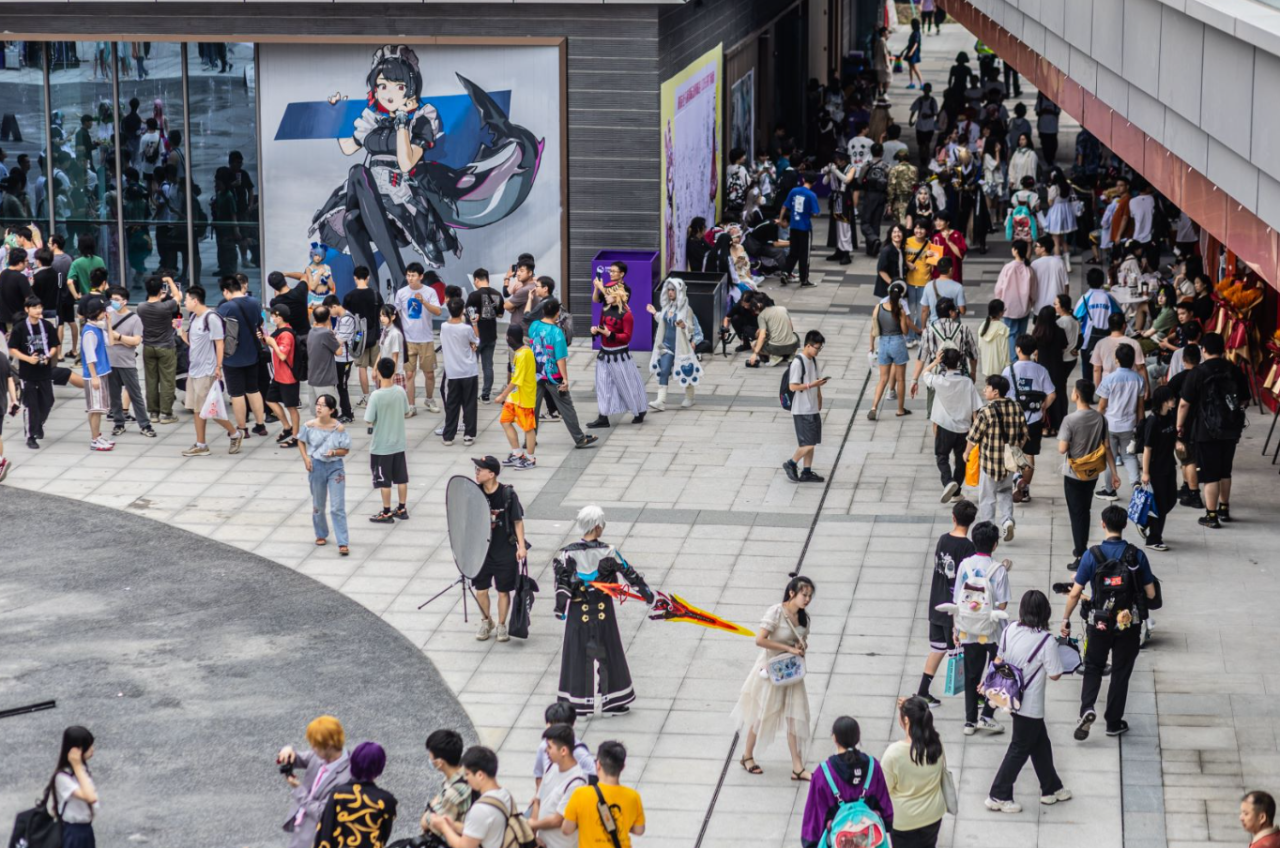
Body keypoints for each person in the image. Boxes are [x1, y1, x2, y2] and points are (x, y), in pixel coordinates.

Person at [1061, 505, 1157, 740]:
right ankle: (1113, 722)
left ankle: (1087, 709)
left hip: (1099, 623)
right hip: (1129, 624)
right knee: (1121, 672)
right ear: (1124, 525)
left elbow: (1075, 593)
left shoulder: (1091, 555)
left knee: (1093, 667)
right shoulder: (1136, 555)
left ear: (1103, 524)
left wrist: (1065, 619)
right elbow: (1151, 594)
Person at [553, 506, 653, 715]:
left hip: (578, 612)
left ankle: (577, 705)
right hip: (603, 611)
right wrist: (647, 595)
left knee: (577, 655)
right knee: (609, 652)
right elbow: (630, 573)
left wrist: (561, 609)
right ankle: (614, 702)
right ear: (598, 526)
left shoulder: (566, 554)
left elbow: (562, 584)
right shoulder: (609, 551)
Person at [985, 590, 1071, 813]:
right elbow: (1055, 674)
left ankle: (1051, 788)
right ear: (1045, 612)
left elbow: (998, 659)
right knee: (1019, 748)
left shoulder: (1010, 629)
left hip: (1011, 697)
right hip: (1030, 704)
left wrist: (986, 683)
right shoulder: (1046, 641)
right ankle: (998, 795)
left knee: (1041, 744)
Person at [733, 575, 815, 780]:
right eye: (804, 595)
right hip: (772, 670)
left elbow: (803, 640)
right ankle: (747, 755)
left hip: (792, 671)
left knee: (794, 717)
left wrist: (800, 647)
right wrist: (788, 648)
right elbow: (760, 640)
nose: (807, 599)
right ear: (792, 593)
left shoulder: (803, 617)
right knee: (762, 714)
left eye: (810, 596)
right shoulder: (776, 612)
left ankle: (797, 767)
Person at [1176, 331, 1250, 528]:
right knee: (1225, 470)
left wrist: (1179, 425)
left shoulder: (1197, 372)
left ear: (1204, 350)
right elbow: (1244, 400)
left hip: (1206, 430)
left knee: (1210, 474)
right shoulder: (1234, 370)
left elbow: (1184, 404)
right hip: (1230, 428)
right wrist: (1232, 413)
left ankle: (1211, 516)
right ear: (1223, 349)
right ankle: (1224, 509)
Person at [951, 521, 1011, 735]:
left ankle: (969, 722)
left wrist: (956, 628)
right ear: (995, 544)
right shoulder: (999, 569)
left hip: (969, 629)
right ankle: (987, 714)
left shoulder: (964, 566)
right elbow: (1003, 604)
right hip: (993, 631)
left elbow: (957, 599)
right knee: (998, 671)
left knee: (971, 674)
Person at [800, 716, 894, 848]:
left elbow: (814, 818)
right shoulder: (873, 767)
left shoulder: (823, 773)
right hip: (869, 841)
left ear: (834, 738)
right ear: (858, 738)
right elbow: (885, 809)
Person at [918, 499, 978, 704]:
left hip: (936, 604)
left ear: (953, 517)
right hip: (953, 610)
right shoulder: (969, 548)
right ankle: (976, 695)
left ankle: (923, 691)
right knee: (966, 653)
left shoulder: (943, 540)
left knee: (938, 648)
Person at [1058, 380, 1116, 569]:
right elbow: (1107, 447)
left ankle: (1081, 554)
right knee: (1085, 509)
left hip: (1074, 474)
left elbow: (1062, 448)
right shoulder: (1100, 419)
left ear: (1076, 395)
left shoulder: (1070, 420)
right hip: (1092, 474)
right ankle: (1081, 547)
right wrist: (1114, 473)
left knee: (1077, 514)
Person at [528, 297, 597, 449]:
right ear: (557, 313)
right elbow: (560, 359)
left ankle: (530, 439)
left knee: (533, 408)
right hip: (553, 377)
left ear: (543, 311)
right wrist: (565, 379)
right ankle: (579, 439)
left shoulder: (534, 326)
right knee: (567, 407)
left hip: (536, 374)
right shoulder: (557, 333)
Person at [471, 455, 527, 642]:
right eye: (476, 469)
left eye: (480, 470)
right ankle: (486, 621)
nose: (476, 472)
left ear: (491, 474)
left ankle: (502, 625)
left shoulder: (507, 494)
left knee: (503, 591)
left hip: (504, 550)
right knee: (481, 590)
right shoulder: (474, 493)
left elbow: (517, 521)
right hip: (481, 552)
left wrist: (521, 546)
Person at [966, 375, 1027, 540]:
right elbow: (1024, 433)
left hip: (990, 463)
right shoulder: (1016, 407)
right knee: (1005, 491)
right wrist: (1015, 450)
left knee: (987, 498)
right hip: (1009, 462)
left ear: (995, 392)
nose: (984, 390)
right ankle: (1007, 520)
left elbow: (973, 436)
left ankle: (988, 529)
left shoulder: (986, 411)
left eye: (987, 388)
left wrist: (966, 453)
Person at [276, 715, 352, 848]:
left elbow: (322, 813)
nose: (312, 748)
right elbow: (298, 758)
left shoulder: (346, 778)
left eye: (315, 746)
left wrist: (298, 790)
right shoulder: (321, 756)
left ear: (328, 746)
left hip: (317, 837)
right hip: (302, 828)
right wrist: (287, 751)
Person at [920, 348, 983, 501]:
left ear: (943, 363)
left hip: (945, 427)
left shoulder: (938, 380)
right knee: (961, 460)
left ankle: (948, 481)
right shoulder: (967, 382)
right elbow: (975, 409)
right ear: (959, 362)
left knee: (942, 456)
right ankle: (956, 492)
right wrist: (975, 431)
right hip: (964, 428)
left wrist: (935, 361)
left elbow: (925, 373)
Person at [882, 698, 947, 847]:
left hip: (904, 820)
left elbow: (884, 788)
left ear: (906, 720)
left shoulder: (894, 753)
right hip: (933, 814)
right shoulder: (936, 743)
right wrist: (913, 706)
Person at [588, 271, 648, 426]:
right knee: (602, 385)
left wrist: (609, 333)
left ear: (616, 296)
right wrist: (596, 330)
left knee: (628, 384)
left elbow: (627, 337)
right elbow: (603, 326)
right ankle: (603, 417)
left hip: (620, 355)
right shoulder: (605, 309)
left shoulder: (627, 315)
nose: (605, 296)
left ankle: (640, 410)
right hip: (604, 353)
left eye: (608, 294)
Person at [429, 746, 518, 848]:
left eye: (467, 774)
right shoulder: (505, 794)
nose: (466, 778)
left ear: (480, 775)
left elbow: (463, 846)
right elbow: (483, 829)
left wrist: (443, 827)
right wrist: (454, 826)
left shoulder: (480, 809)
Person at [561, 742, 646, 847]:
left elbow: (567, 830)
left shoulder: (580, 794)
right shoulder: (633, 796)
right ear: (622, 767)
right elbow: (639, 830)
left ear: (598, 764)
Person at [1003, 335, 1056, 502]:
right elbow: (1052, 394)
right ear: (1034, 350)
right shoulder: (1041, 370)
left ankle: (1016, 478)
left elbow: (1003, 396)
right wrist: (1043, 408)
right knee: (1029, 454)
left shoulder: (1008, 370)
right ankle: (1024, 489)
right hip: (1034, 419)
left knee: (1011, 451)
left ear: (1017, 349)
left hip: (1013, 418)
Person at [296, 393, 351, 555]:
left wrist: (334, 452)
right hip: (316, 466)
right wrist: (306, 458)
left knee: (337, 506)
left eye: (323, 405)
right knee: (318, 505)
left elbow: (345, 450)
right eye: (318, 404)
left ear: (332, 410)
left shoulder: (339, 428)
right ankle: (320, 533)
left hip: (335, 467)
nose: (319, 408)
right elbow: (300, 440)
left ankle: (342, 541)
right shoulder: (309, 426)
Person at [314, 741, 396, 848]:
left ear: (353, 762)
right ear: (380, 767)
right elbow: (383, 838)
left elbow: (325, 831)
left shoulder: (338, 794)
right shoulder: (386, 801)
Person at [217, 275, 268, 437]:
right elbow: (259, 322)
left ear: (226, 290)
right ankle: (260, 425)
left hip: (232, 357)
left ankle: (242, 428)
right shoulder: (254, 302)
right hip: (252, 354)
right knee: (253, 390)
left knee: (237, 394)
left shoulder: (226, 308)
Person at [7, 296, 58, 450]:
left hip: (44, 370)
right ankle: (30, 435)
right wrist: (28, 359)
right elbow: (12, 349)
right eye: (34, 308)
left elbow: (54, 345)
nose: (38, 310)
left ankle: (38, 423)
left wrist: (48, 356)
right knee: (30, 405)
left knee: (48, 401)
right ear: (27, 309)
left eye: (39, 307)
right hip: (27, 372)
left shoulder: (47, 326)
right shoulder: (20, 328)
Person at [364, 357, 411, 523]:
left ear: (377, 372)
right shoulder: (400, 391)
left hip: (381, 445)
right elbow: (406, 411)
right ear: (394, 372)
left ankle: (386, 512)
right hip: (399, 443)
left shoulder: (376, 396)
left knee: (384, 481)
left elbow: (369, 419)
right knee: (401, 478)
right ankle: (402, 508)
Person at [104, 287, 154, 439]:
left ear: (125, 301)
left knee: (135, 394)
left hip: (127, 363)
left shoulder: (135, 319)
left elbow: (136, 341)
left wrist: (118, 337)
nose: (113, 302)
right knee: (114, 396)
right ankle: (118, 423)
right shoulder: (107, 316)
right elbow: (107, 340)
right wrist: (125, 341)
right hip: (110, 362)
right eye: (112, 299)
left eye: (117, 300)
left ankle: (145, 425)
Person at [394, 263, 443, 416]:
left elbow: (437, 311)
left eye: (413, 275)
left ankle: (429, 399)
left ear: (421, 276)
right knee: (409, 374)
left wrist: (424, 302)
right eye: (408, 275)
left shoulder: (430, 292)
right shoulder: (401, 293)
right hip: (408, 340)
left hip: (426, 339)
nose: (410, 278)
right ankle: (411, 405)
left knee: (429, 373)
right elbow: (396, 313)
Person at [529, 725, 589, 848]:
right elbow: (538, 801)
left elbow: (558, 819)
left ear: (563, 751)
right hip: (543, 843)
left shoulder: (577, 782)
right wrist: (533, 837)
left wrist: (532, 824)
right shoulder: (551, 767)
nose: (546, 750)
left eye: (549, 747)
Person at [783, 330, 829, 484]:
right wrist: (811, 385)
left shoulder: (813, 360)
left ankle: (807, 472)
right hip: (802, 409)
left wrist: (819, 395)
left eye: (820, 348)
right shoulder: (798, 362)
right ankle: (791, 463)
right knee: (808, 443)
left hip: (812, 406)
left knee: (811, 442)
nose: (818, 351)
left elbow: (817, 380)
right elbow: (793, 386)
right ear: (808, 345)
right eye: (817, 348)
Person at [869, 282, 919, 420]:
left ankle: (874, 407)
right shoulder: (900, 310)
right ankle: (900, 409)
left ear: (889, 293)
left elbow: (874, 327)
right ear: (901, 295)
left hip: (883, 344)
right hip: (898, 344)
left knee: (882, 379)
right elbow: (905, 331)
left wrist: (871, 344)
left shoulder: (878, 307)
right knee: (900, 379)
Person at [43, 726, 100, 848]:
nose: (92, 749)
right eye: (88, 746)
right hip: (73, 832)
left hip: (86, 829)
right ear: (77, 750)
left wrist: (79, 767)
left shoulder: (80, 770)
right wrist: (77, 766)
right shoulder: (62, 777)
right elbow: (91, 797)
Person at [135, 275, 181, 425]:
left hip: (148, 347)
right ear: (161, 290)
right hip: (166, 347)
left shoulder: (141, 307)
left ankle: (153, 412)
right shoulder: (166, 306)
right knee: (167, 380)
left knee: (151, 380)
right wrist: (170, 281)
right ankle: (166, 413)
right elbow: (178, 296)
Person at [1138, 384, 1178, 552]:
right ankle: (1153, 538)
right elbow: (1147, 449)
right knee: (1160, 505)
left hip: (1169, 465)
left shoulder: (1170, 416)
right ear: (1163, 401)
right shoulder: (1153, 421)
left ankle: (1145, 521)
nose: (1174, 400)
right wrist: (1145, 472)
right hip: (1156, 469)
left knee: (1171, 500)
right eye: (1171, 398)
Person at [495, 325, 538, 470]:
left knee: (528, 428)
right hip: (515, 397)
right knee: (505, 421)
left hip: (524, 397)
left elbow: (516, 380)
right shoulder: (520, 352)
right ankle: (517, 453)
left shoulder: (524, 354)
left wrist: (502, 395)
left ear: (510, 338)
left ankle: (530, 459)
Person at [439, 297, 480, 446]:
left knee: (452, 404)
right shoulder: (466, 328)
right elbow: (476, 340)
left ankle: (448, 436)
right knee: (469, 403)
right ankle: (468, 435)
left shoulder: (444, 327)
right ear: (463, 310)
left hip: (452, 371)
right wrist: (474, 323)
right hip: (469, 370)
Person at [420, 730, 474, 839]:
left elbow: (427, 824)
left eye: (431, 755)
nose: (429, 758)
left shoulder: (453, 793)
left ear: (440, 762)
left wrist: (429, 811)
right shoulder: (465, 772)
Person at [78, 298, 116, 452]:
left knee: (97, 409)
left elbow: (111, 342)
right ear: (97, 312)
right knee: (95, 409)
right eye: (103, 310)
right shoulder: (89, 332)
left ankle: (97, 436)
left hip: (101, 372)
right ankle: (95, 439)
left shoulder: (98, 327)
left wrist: (109, 324)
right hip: (95, 375)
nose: (105, 313)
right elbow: (89, 357)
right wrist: (94, 377)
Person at [532, 702, 596, 794]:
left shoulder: (579, 752)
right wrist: (539, 797)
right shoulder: (543, 746)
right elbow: (539, 775)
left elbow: (595, 775)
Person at [1075, 269, 1123, 379]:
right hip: (1107, 340)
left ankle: (1087, 389)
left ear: (1088, 281)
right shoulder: (1109, 297)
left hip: (1087, 342)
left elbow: (1076, 318)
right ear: (1102, 281)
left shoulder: (1084, 299)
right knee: (1106, 371)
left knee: (1087, 372)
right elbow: (1120, 315)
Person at [994, 241, 1034, 364]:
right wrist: (1032, 301)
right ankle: (1023, 356)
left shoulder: (1009, 267)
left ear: (1015, 250)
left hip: (1009, 306)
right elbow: (1034, 289)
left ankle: (1014, 358)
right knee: (1021, 333)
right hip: (1024, 306)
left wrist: (999, 300)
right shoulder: (1029, 268)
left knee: (1011, 333)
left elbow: (999, 287)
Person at [779, 172, 818, 286]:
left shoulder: (794, 191)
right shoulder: (812, 195)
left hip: (794, 226)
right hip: (804, 228)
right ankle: (804, 279)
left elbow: (784, 206)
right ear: (814, 183)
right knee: (804, 254)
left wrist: (780, 220)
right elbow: (815, 213)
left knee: (793, 252)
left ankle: (785, 272)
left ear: (803, 179)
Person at [1091, 313, 1147, 386]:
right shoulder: (1134, 343)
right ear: (1124, 326)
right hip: (1130, 385)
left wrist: (1099, 389)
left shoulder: (1100, 344)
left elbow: (1096, 369)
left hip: (1108, 385)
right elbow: (1140, 368)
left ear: (1109, 326)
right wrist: (1146, 388)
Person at [858, 145, 890, 255]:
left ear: (871, 152)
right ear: (882, 152)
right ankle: (872, 249)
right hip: (881, 196)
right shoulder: (886, 166)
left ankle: (874, 239)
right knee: (876, 222)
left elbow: (859, 180)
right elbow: (889, 182)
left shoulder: (866, 165)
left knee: (865, 222)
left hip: (869, 195)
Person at [307, 304, 342, 404]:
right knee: (330, 410)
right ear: (328, 317)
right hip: (325, 380)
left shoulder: (311, 331)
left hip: (312, 378)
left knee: (316, 410)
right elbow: (339, 352)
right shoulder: (326, 333)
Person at [930, 212, 968, 284]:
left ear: (948, 222)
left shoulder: (957, 235)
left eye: (941, 220)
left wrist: (949, 241)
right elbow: (934, 260)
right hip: (938, 275)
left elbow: (961, 254)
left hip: (954, 273)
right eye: (936, 220)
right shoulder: (936, 237)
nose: (938, 223)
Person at [978, 299, 1010, 380]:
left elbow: (980, 346)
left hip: (986, 368)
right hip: (999, 368)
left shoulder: (983, 326)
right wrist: (1008, 365)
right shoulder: (1003, 328)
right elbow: (1005, 351)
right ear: (1000, 313)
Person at [875, 222, 908, 299]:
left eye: (899, 232)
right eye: (894, 232)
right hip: (888, 290)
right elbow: (881, 270)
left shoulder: (901, 249)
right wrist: (892, 284)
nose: (897, 234)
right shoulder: (887, 251)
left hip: (899, 288)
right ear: (890, 235)